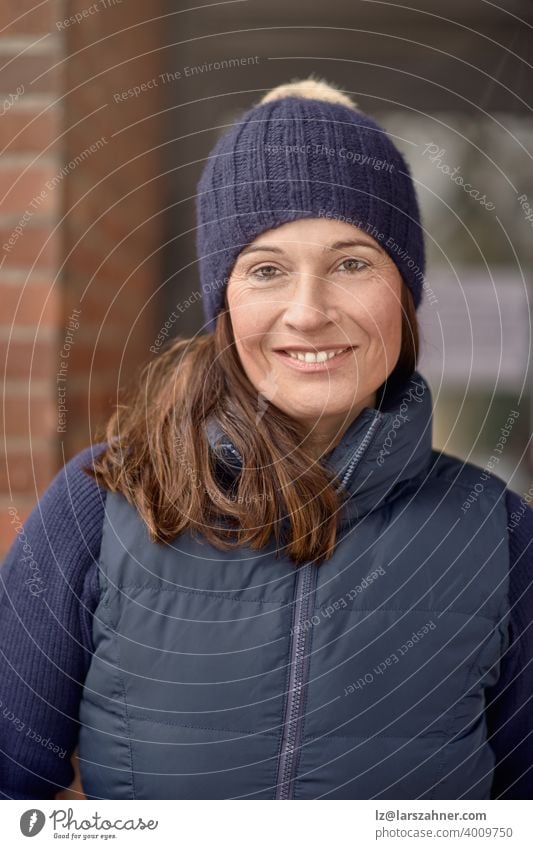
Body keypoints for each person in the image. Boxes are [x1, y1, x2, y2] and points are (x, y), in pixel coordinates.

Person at [1, 76, 532, 801]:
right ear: (225, 301)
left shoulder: (500, 534)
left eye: (351, 263)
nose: (307, 312)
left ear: (403, 293)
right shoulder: (99, 507)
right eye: (266, 270)